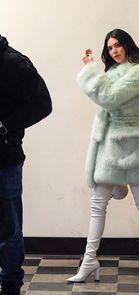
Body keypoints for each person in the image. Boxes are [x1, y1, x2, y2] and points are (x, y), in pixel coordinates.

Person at [67, 28, 139, 283]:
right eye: (110, 47)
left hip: (130, 144)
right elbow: (106, 98)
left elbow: (109, 98)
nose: (114, 51)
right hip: (109, 144)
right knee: (97, 203)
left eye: (117, 45)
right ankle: (90, 261)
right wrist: (95, 70)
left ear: (127, 45)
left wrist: (91, 69)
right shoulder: (114, 71)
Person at [0, 35, 52, 295]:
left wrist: (5, 124)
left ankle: (10, 284)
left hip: (5, 160)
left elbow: (43, 104)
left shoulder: (15, 64)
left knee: (9, 228)